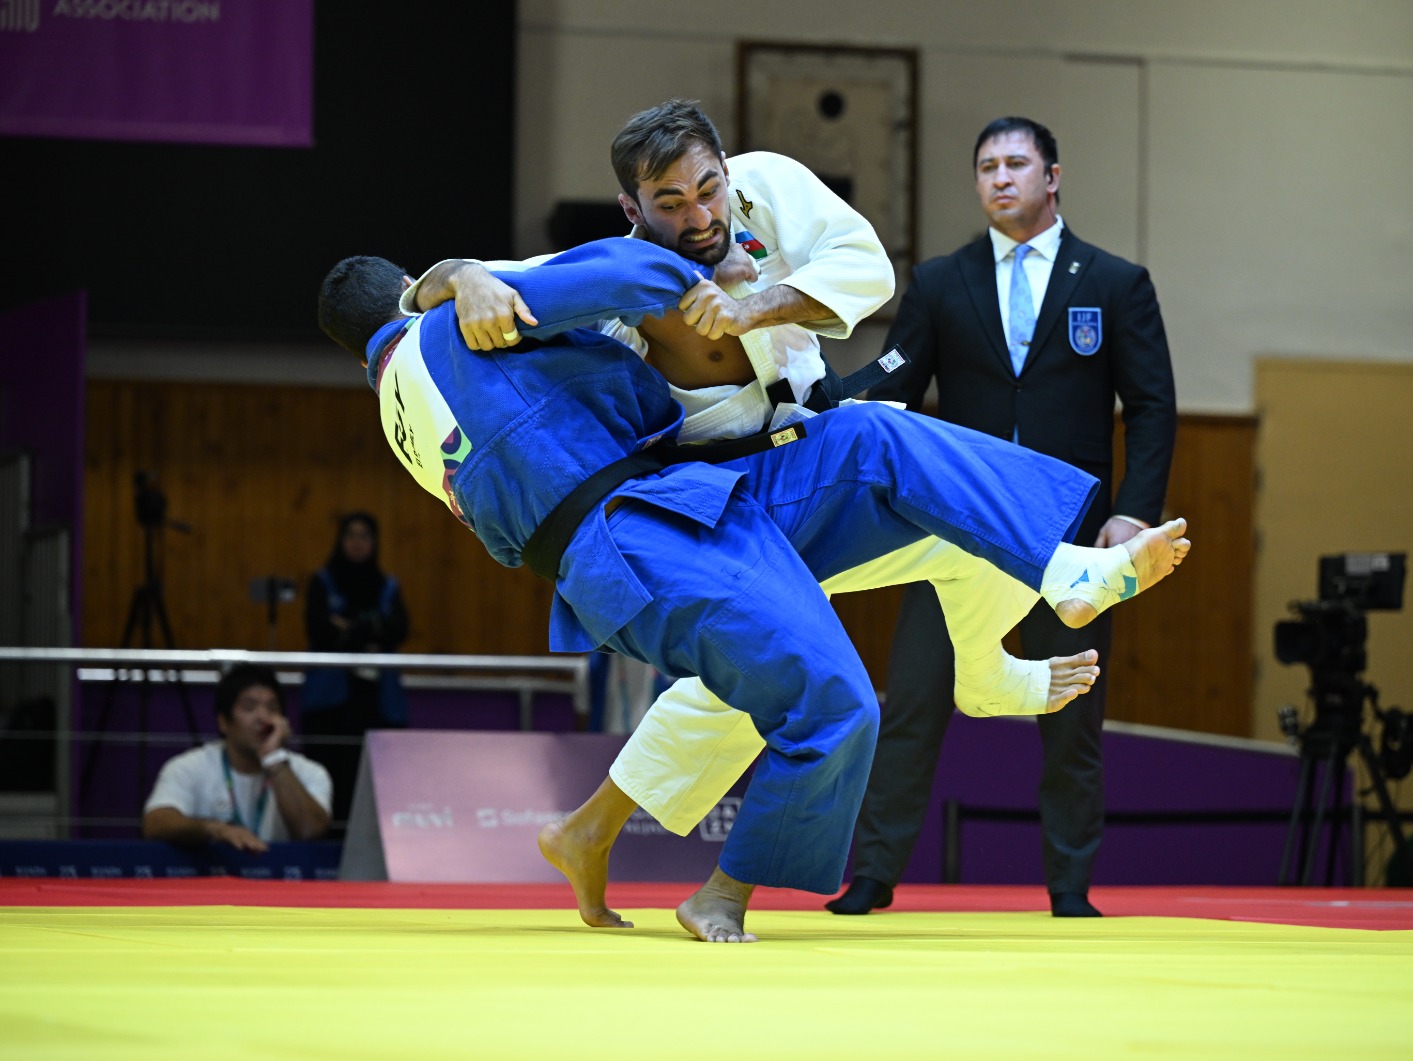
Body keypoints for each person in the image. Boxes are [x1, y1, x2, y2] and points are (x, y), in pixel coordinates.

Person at [317, 237, 1188, 941]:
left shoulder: (397, 411)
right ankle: (722, 893)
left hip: (682, 497)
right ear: (404, 289)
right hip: (631, 535)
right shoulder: (451, 321)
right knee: (836, 698)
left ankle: (1059, 565)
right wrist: (702, 276)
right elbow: (620, 275)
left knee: (875, 435)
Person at [406, 100, 1124, 929]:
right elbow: (440, 290)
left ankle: (592, 830)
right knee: (792, 652)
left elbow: (867, 267)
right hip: (718, 491)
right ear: (633, 210)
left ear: (726, 170)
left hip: (807, 441)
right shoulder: (616, 273)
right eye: (671, 205)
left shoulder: (770, 186)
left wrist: (761, 304)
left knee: (942, 503)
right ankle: (988, 665)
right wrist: (461, 275)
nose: (699, 215)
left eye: (709, 189)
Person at [829, 116, 1179, 920]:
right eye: (986, 165)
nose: (999, 177)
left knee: (1073, 711)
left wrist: (1132, 514)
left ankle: (1069, 888)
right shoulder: (943, 281)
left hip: (1070, 534)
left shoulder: (1115, 283)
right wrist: (809, 401)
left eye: (1016, 163)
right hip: (954, 528)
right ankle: (874, 876)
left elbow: (1153, 407)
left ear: (1053, 177)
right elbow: (894, 388)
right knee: (914, 701)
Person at [143, 664, 332, 851]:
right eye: (249, 707)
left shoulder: (310, 772)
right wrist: (214, 829)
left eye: (272, 708)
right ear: (223, 722)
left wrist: (274, 758)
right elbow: (156, 822)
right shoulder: (188, 767)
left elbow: (310, 831)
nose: (263, 717)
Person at [301, 510, 410, 828]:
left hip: (376, 703)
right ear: (341, 540)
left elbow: (398, 630)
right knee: (331, 777)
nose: (358, 543)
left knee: (375, 782)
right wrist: (372, 628)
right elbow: (319, 629)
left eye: (365, 536)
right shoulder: (323, 581)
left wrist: (349, 628)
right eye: (351, 535)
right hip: (330, 704)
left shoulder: (387, 585)